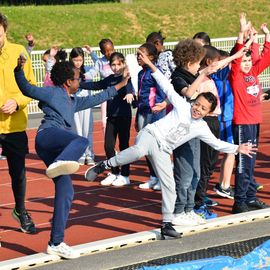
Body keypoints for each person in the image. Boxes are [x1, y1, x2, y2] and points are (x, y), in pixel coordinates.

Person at [85, 50, 256, 239]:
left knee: (169, 186)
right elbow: (165, 85)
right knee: (138, 150)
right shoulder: (182, 105)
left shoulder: (201, 128)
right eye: (197, 104)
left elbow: (217, 144)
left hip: (163, 150)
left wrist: (237, 148)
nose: (197, 109)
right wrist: (150, 66)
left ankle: (166, 223)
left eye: (203, 109)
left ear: (208, 113)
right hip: (150, 135)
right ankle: (105, 165)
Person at [14, 58, 130, 259]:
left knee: (66, 192)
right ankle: (60, 163)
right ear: (68, 82)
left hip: (58, 150)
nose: (81, 81)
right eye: (78, 79)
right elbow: (27, 89)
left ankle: (55, 242)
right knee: (81, 141)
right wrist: (18, 70)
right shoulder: (53, 93)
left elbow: (98, 97)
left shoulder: (73, 101)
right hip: (47, 136)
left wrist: (120, 84)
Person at [229, 15, 270, 214]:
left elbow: (263, 57)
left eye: (248, 61)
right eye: (243, 61)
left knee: (251, 163)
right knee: (244, 164)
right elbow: (239, 57)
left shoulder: (253, 72)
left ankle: (250, 197)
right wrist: (241, 35)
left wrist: (264, 37)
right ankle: (239, 202)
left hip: (254, 122)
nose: (246, 63)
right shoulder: (236, 76)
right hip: (243, 124)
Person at [0, 13, 36, 234]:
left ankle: (20, 210)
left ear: (5, 31)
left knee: (18, 172)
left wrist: (18, 102)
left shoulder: (19, 53)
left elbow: (31, 86)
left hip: (15, 125)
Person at [81, 52, 134, 186]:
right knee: (108, 146)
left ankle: (125, 175)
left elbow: (129, 87)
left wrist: (129, 92)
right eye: (113, 65)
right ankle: (115, 172)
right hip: (111, 117)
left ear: (123, 64)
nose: (115, 67)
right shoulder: (109, 79)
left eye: (118, 64)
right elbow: (96, 85)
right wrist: (78, 84)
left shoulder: (126, 77)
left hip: (124, 116)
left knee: (124, 146)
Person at [135, 42, 167, 191]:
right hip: (142, 112)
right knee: (145, 146)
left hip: (154, 113)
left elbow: (162, 91)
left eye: (141, 54)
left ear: (151, 57)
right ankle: (153, 176)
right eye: (137, 54)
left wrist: (158, 108)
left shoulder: (156, 72)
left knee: (156, 147)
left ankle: (162, 177)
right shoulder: (141, 73)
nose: (138, 57)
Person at [212, 49, 235, 200]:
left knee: (230, 152)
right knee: (230, 151)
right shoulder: (219, 75)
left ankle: (223, 184)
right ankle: (224, 185)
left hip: (226, 117)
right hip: (223, 118)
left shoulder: (223, 76)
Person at [70, 47, 95, 166]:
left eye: (80, 60)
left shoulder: (88, 70)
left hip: (87, 104)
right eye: (75, 60)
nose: (78, 62)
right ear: (71, 59)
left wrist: (91, 53)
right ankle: (80, 154)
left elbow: (100, 66)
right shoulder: (69, 72)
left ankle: (89, 154)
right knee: (77, 130)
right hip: (74, 104)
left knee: (87, 130)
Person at [84, 39, 115, 135]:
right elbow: (92, 73)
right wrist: (80, 77)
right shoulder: (100, 62)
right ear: (102, 52)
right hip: (106, 95)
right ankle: (109, 143)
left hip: (119, 94)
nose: (109, 53)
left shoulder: (119, 59)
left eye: (111, 50)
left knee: (120, 120)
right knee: (104, 121)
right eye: (106, 51)